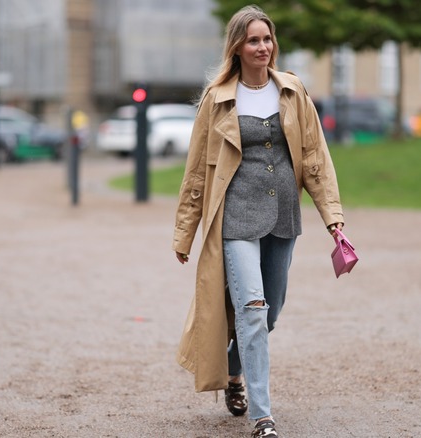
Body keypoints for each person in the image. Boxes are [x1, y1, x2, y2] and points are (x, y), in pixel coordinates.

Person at [172, 5, 344, 437]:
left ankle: (235, 370)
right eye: (253, 40)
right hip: (236, 219)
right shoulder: (217, 99)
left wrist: (333, 219)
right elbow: (196, 170)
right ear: (237, 47)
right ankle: (263, 417)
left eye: (267, 39)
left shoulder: (293, 91)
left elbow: (315, 159)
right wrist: (185, 232)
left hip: (284, 216)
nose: (262, 47)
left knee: (269, 315)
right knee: (251, 309)